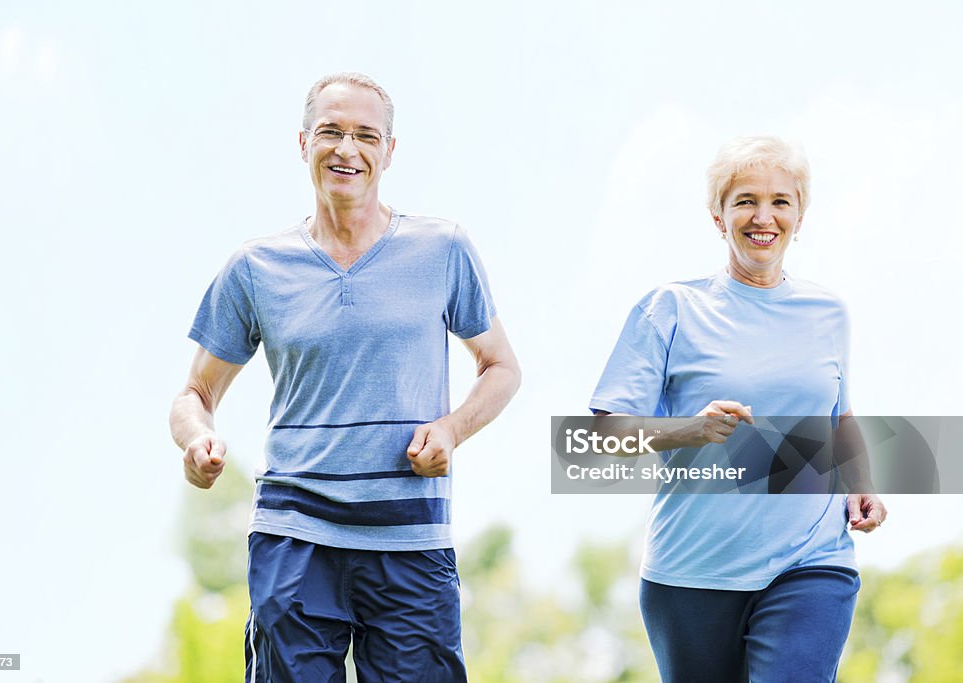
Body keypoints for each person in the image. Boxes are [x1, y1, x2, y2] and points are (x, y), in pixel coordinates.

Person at [170, 72, 521, 683]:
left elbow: (502, 368)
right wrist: (195, 440)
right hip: (295, 534)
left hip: (409, 538)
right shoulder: (256, 267)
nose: (347, 149)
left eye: (366, 134)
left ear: (390, 149)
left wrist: (452, 428)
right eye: (331, 132)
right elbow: (195, 394)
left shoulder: (443, 249)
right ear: (303, 143)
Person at [590, 136, 887, 682]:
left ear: (800, 214)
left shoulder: (828, 313)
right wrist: (692, 429)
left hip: (811, 559)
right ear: (718, 216)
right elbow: (600, 439)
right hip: (692, 570)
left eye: (780, 201)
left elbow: (839, 415)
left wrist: (861, 480)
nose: (763, 216)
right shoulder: (671, 308)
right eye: (745, 200)